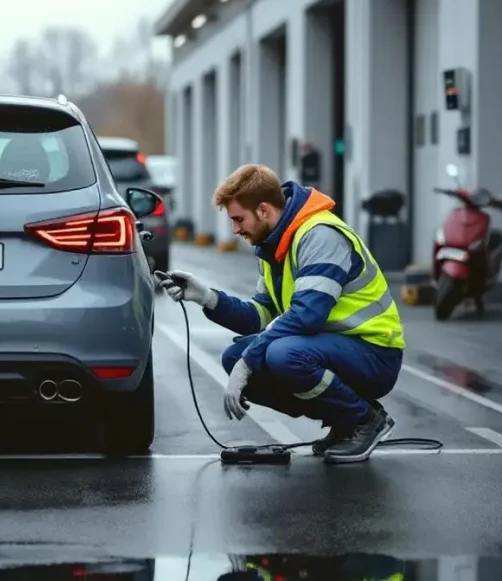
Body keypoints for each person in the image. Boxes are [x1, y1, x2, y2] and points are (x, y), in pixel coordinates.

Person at [158, 164, 405, 463]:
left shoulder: (319, 235)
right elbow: (260, 316)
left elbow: (307, 315)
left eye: (239, 219)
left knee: (282, 355)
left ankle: (364, 420)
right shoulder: (275, 246)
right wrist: (208, 298)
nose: (235, 229)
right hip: (331, 349)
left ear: (263, 210)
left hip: (375, 352)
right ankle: (345, 419)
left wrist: (250, 362)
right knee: (235, 356)